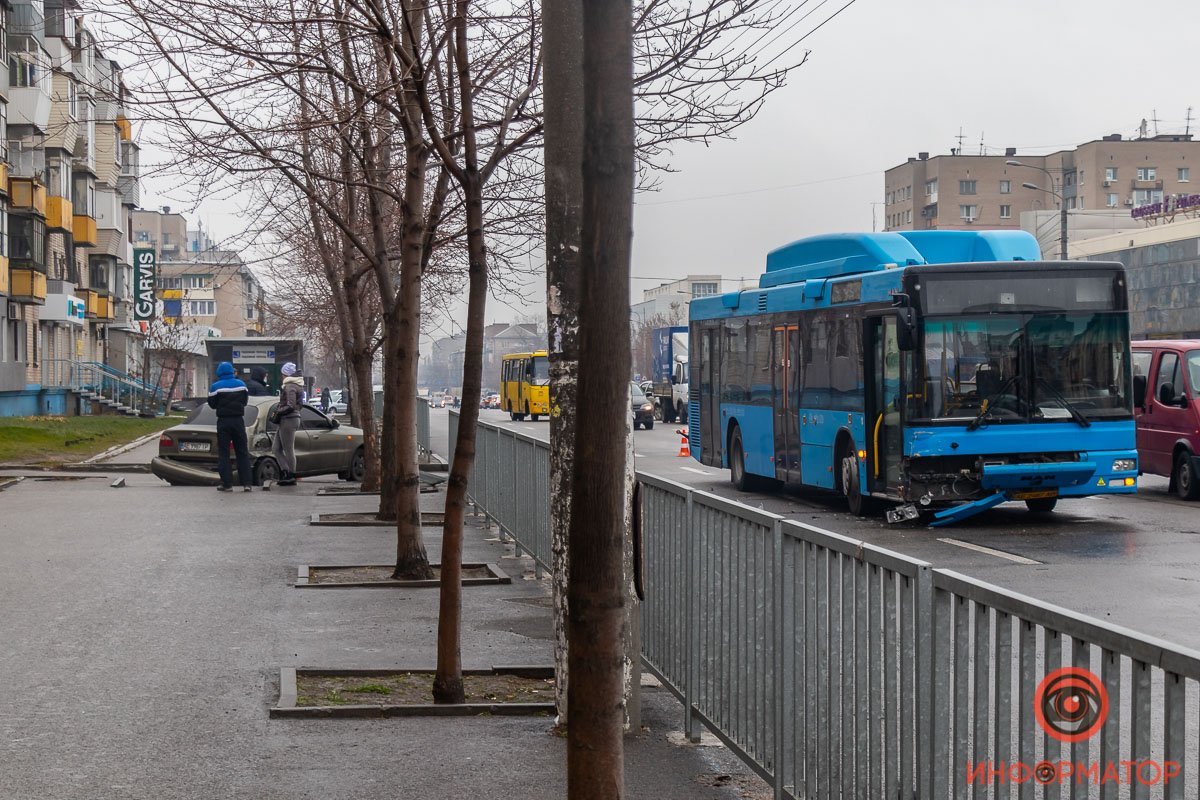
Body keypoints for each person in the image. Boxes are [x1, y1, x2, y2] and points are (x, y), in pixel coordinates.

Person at [207, 361, 253, 492]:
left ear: (219, 372)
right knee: (242, 452)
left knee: (224, 453)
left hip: (223, 422)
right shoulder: (242, 385)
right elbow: (244, 402)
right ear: (232, 372)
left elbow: (212, 404)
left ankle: (227, 484)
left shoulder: (215, 387)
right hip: (238, 421)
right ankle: (247, 483)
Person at [273, 361, 304, 486]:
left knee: (288, 449)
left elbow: (290, 405)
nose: (281, 377)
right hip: (288, 419)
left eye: (282, 374)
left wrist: (279, 411)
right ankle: (286, 472)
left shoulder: (290, 386)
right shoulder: (296, 385)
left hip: (288, 419)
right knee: (276, 448)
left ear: (286, 374)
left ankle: (291, 475)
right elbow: (298, 405)